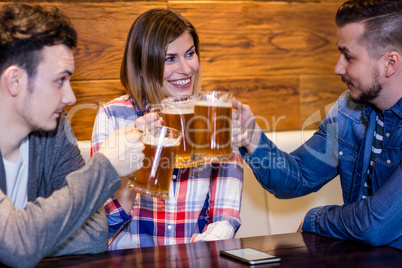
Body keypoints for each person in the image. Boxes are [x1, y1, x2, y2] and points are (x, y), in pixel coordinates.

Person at [232, 0, 402, 249]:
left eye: (348, 56)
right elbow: (298, 176)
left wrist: (315, 219)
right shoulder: (348, 110)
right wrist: (252, 138)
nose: (337, 67)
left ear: (390, 63)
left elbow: (374, 224)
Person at [0, 3, 145, 267]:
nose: (71, 97)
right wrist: (107, 166)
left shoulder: (55, 134)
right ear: (15, 81)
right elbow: (15, 243)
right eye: (59, 81)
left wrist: (31, 231)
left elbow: (95, 235)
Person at [91, 8, 244, 249]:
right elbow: (100, 228)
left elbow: (224, 219)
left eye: (190, 54)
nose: (186, 69)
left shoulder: (214, 115)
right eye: (169, 58)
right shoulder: (113, 116)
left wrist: (192, 258)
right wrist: (135, 165)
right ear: (143, 66)